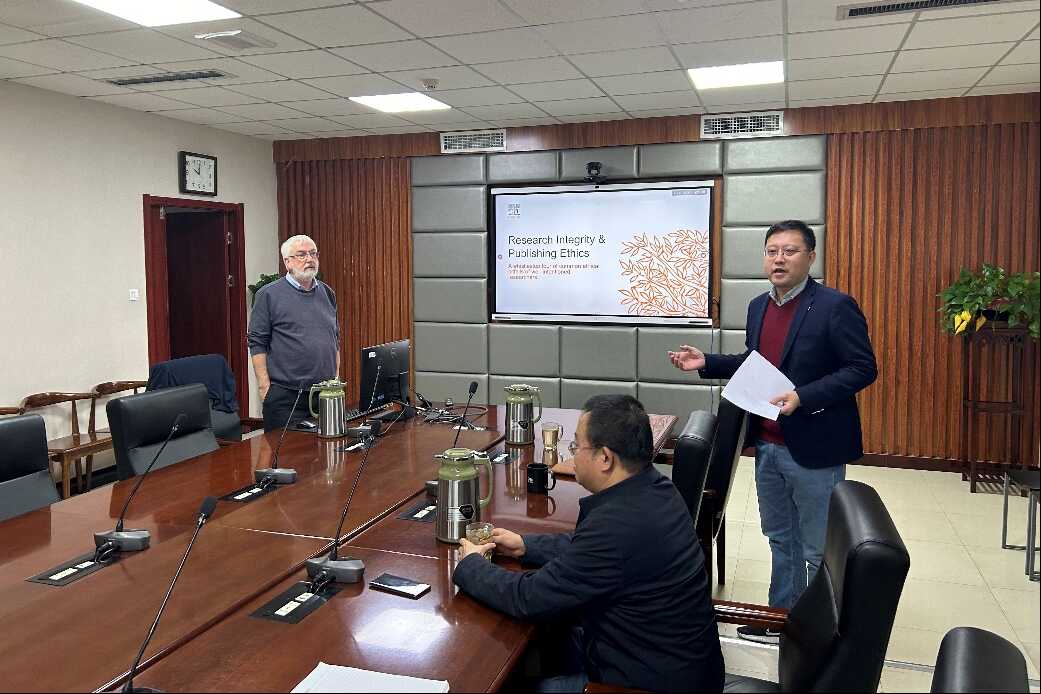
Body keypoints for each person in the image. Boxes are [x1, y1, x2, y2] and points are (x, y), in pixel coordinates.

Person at [669, 220, 877, 643]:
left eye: (789, 251)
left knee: (817, 547)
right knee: (781, 539)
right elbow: (756, 363)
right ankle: (780, 618)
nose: (779, 259)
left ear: (810, 257)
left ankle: (818, 631)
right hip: (767, 443)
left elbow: (862, 368)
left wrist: (804, 396)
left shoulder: (835, 306)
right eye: (772, 251)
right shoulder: (758, 306)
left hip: (815, 447)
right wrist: (708, 362)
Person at [454, 395, 724, 693]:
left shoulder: (615, 527)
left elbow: (527, 597)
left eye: (576, 446)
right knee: (544, 643)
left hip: (647, 683)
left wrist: (471, 565)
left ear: (605, 458)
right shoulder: (656, 489)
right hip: (669, 660)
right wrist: (524, 546)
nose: (572, 454)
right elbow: (588, 550)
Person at [247, 234, 340, 431]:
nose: (309, 259)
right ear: (287, 262)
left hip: (324, 394)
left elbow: (334, 339)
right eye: (302, 254)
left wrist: (335, 379)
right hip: (286, 398)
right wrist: (265, 388)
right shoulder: (268, 295)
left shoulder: (327, 293)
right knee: (287, 451)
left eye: (313, 253)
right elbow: (257, 343)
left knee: (327, 449)